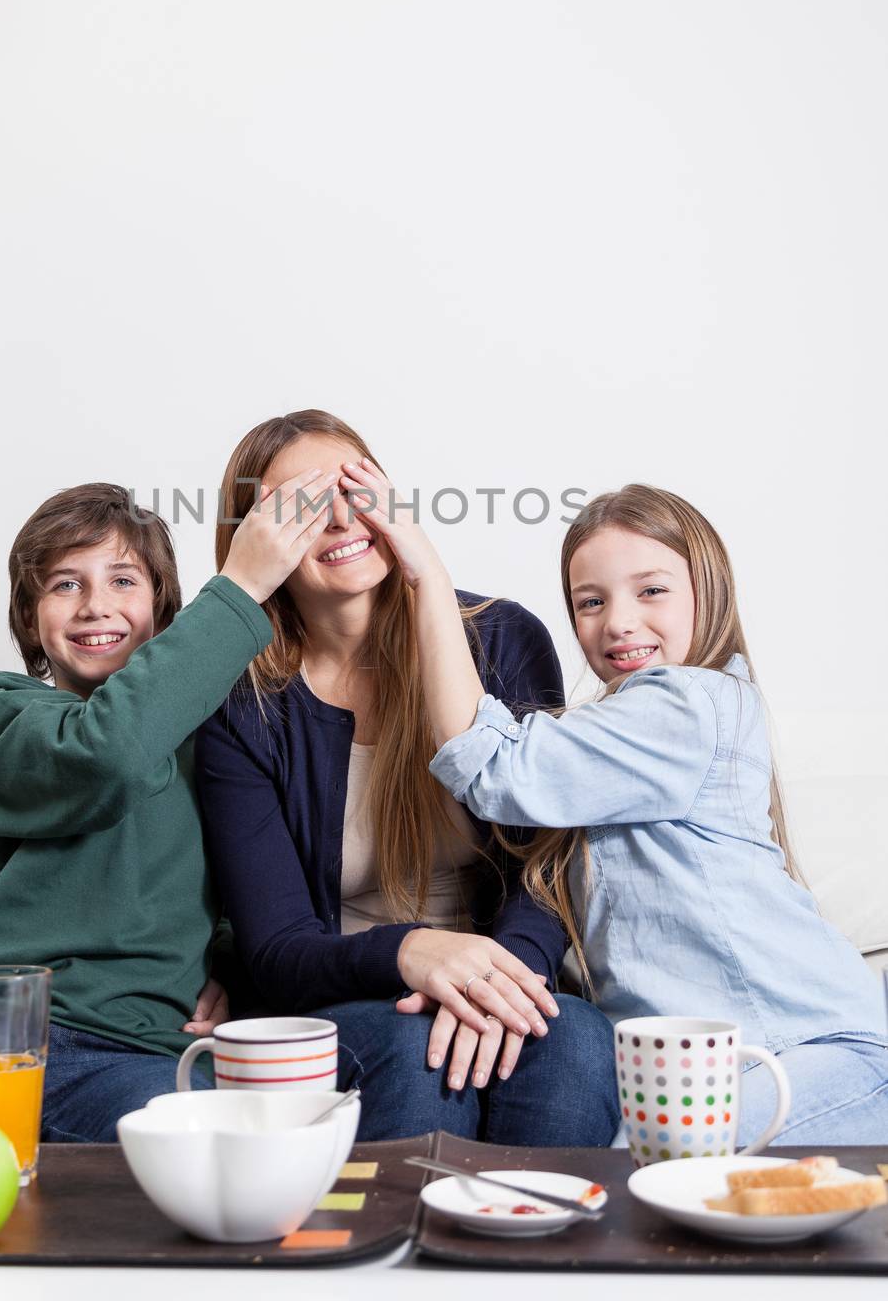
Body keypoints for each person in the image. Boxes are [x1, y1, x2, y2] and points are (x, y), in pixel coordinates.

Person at [338, 466, 888, 1147]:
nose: (619, 623)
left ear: (706, 593)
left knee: (648, 1172)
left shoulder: (689, 704)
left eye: (651, 591)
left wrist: (426, 577)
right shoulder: (614, 733)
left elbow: (486, 762)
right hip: (705, 1065)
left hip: (806, 1052)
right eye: (590, 603)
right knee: (622, 1166)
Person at [0, 473, 340, 1146]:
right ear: (30, 617)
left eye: (123, 580)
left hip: (133, 1052)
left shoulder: (218, 747)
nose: (96, 605)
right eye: (65, 584)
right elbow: (108, 755)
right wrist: (239, 587)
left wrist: (227, 965)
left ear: (162, 608)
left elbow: (257, 882)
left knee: (226, 1161)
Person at [195, 410, 620, 1146]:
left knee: (572, 1043)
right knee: (409, 1053)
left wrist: (500, 978)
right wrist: (411, 954)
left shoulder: (502, 640)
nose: (337, 519)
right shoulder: (240, 702)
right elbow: (275, 947)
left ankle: (546, 1260)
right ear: (252, 546)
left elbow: (546, 856)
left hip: (502, 974)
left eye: (354, 489)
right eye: (298, 507)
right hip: (347, 996)